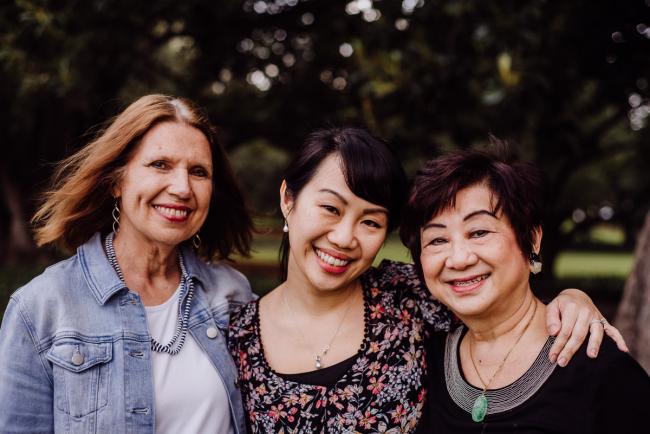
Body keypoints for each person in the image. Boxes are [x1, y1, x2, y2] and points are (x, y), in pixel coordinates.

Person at [228, 127, 626, 433]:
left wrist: (572, 298)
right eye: (330, 208)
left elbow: (499, 301)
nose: (345, 237)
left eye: (370, 221)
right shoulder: (236, 335)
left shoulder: (408, 297)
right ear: (288, 200)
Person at [0, 94, 254, 434]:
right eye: (160, 164)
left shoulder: (232, 295)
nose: (182, 188)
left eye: (198, 172)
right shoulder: (41, 308)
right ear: (117, 181)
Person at [400, 147, 650, 433]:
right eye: (437, 240)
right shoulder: (418, 361)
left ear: (531, 239)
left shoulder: (599, 369)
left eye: (479, 232)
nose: (458, 258)